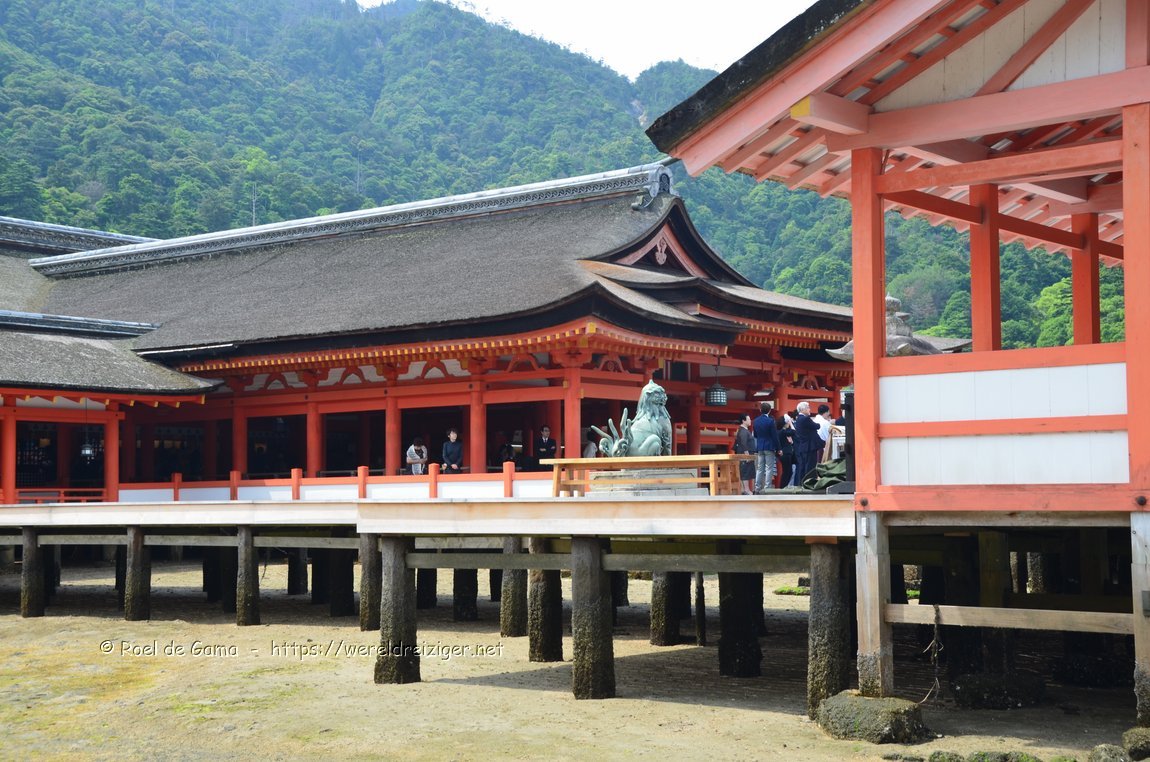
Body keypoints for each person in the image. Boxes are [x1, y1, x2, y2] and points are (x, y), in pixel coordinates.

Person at [752, 401, 780, 493]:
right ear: (769, 410)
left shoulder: (755, 421)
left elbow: (755, 435)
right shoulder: (770, 421)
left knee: (760, 468)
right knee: (769, 467)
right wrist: (779, 448)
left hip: (760, 446)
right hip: (769, 446)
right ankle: (767, 487)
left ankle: (757, 487)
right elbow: (774, 436)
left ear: (760, 410)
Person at [793, 401, 822, 487]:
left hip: (803, 446)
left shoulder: (798, 419)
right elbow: (817, 426)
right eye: (808, 408)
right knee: (810, 466)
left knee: (803, 467)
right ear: (803, 409)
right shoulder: (805, 419)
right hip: (810, 446)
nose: (809, 409)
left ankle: (801, 484)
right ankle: (809, 483)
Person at [733, 412, 756, 495]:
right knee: (745, 471)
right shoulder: (743, 431)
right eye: (748, 419)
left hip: (749, 454)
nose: (750, 421)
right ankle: (746, 489)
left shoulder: (745, 430)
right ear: (743, 420)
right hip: (745, 454)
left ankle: (749, 489)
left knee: (749, 471)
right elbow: (743, 443)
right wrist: (747, 454)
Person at [776, 414, 795, 488]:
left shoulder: (779, 432)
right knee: (787, 472)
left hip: (783, 454)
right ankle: (783, 487)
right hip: (786, 453)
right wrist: (790, 422)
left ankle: (783, 486)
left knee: (787, 472)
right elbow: (793, 431)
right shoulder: (783, 431)